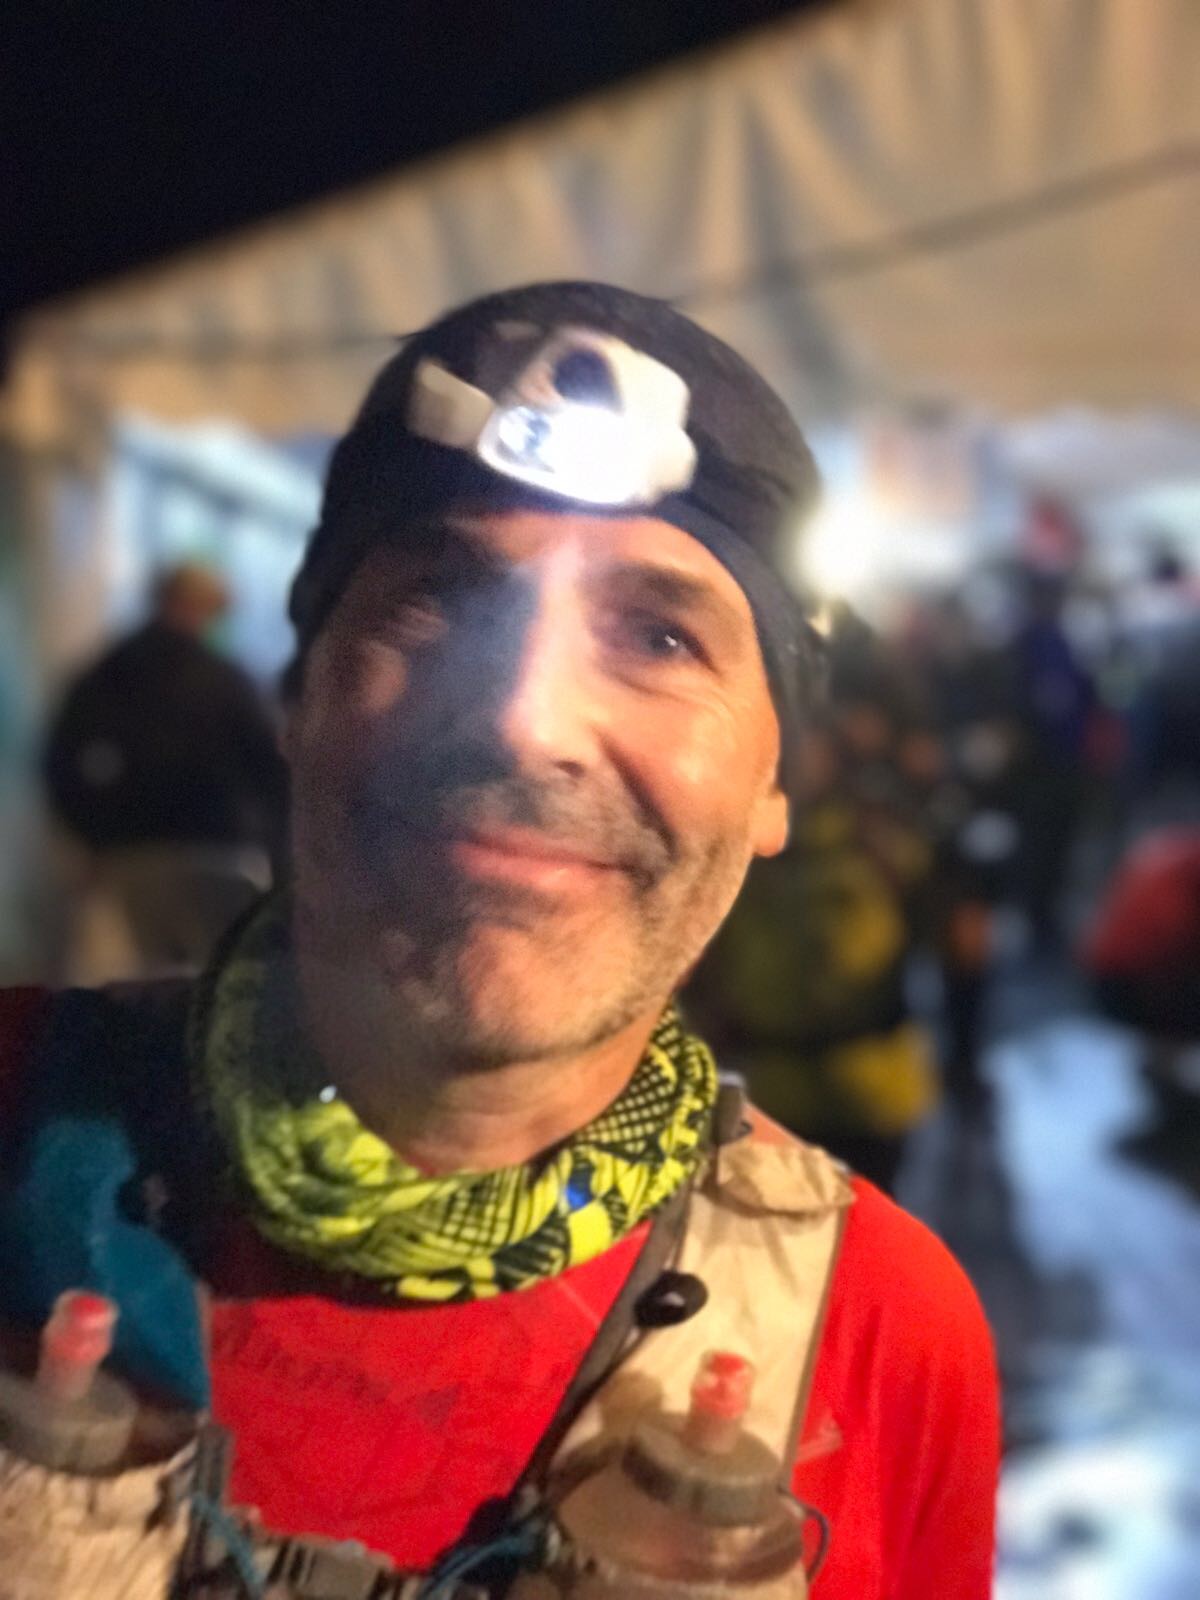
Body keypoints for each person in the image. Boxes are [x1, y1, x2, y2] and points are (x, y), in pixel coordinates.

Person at [0, 284, 998, 1599]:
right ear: (302, 699)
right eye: (436, 600)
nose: (524, 721)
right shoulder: (16, 1098)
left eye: (659, 635)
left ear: (774, 784)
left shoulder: (884, 1335)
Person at [43, 561, 288, 976]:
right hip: (221, 849)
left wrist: (94, 833)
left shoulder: (109, 674)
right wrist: (278, 855)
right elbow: (269, 771)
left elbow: (62, 763)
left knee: (147, 983)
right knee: (223, 981)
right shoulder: (226, 679)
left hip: (134, 853)